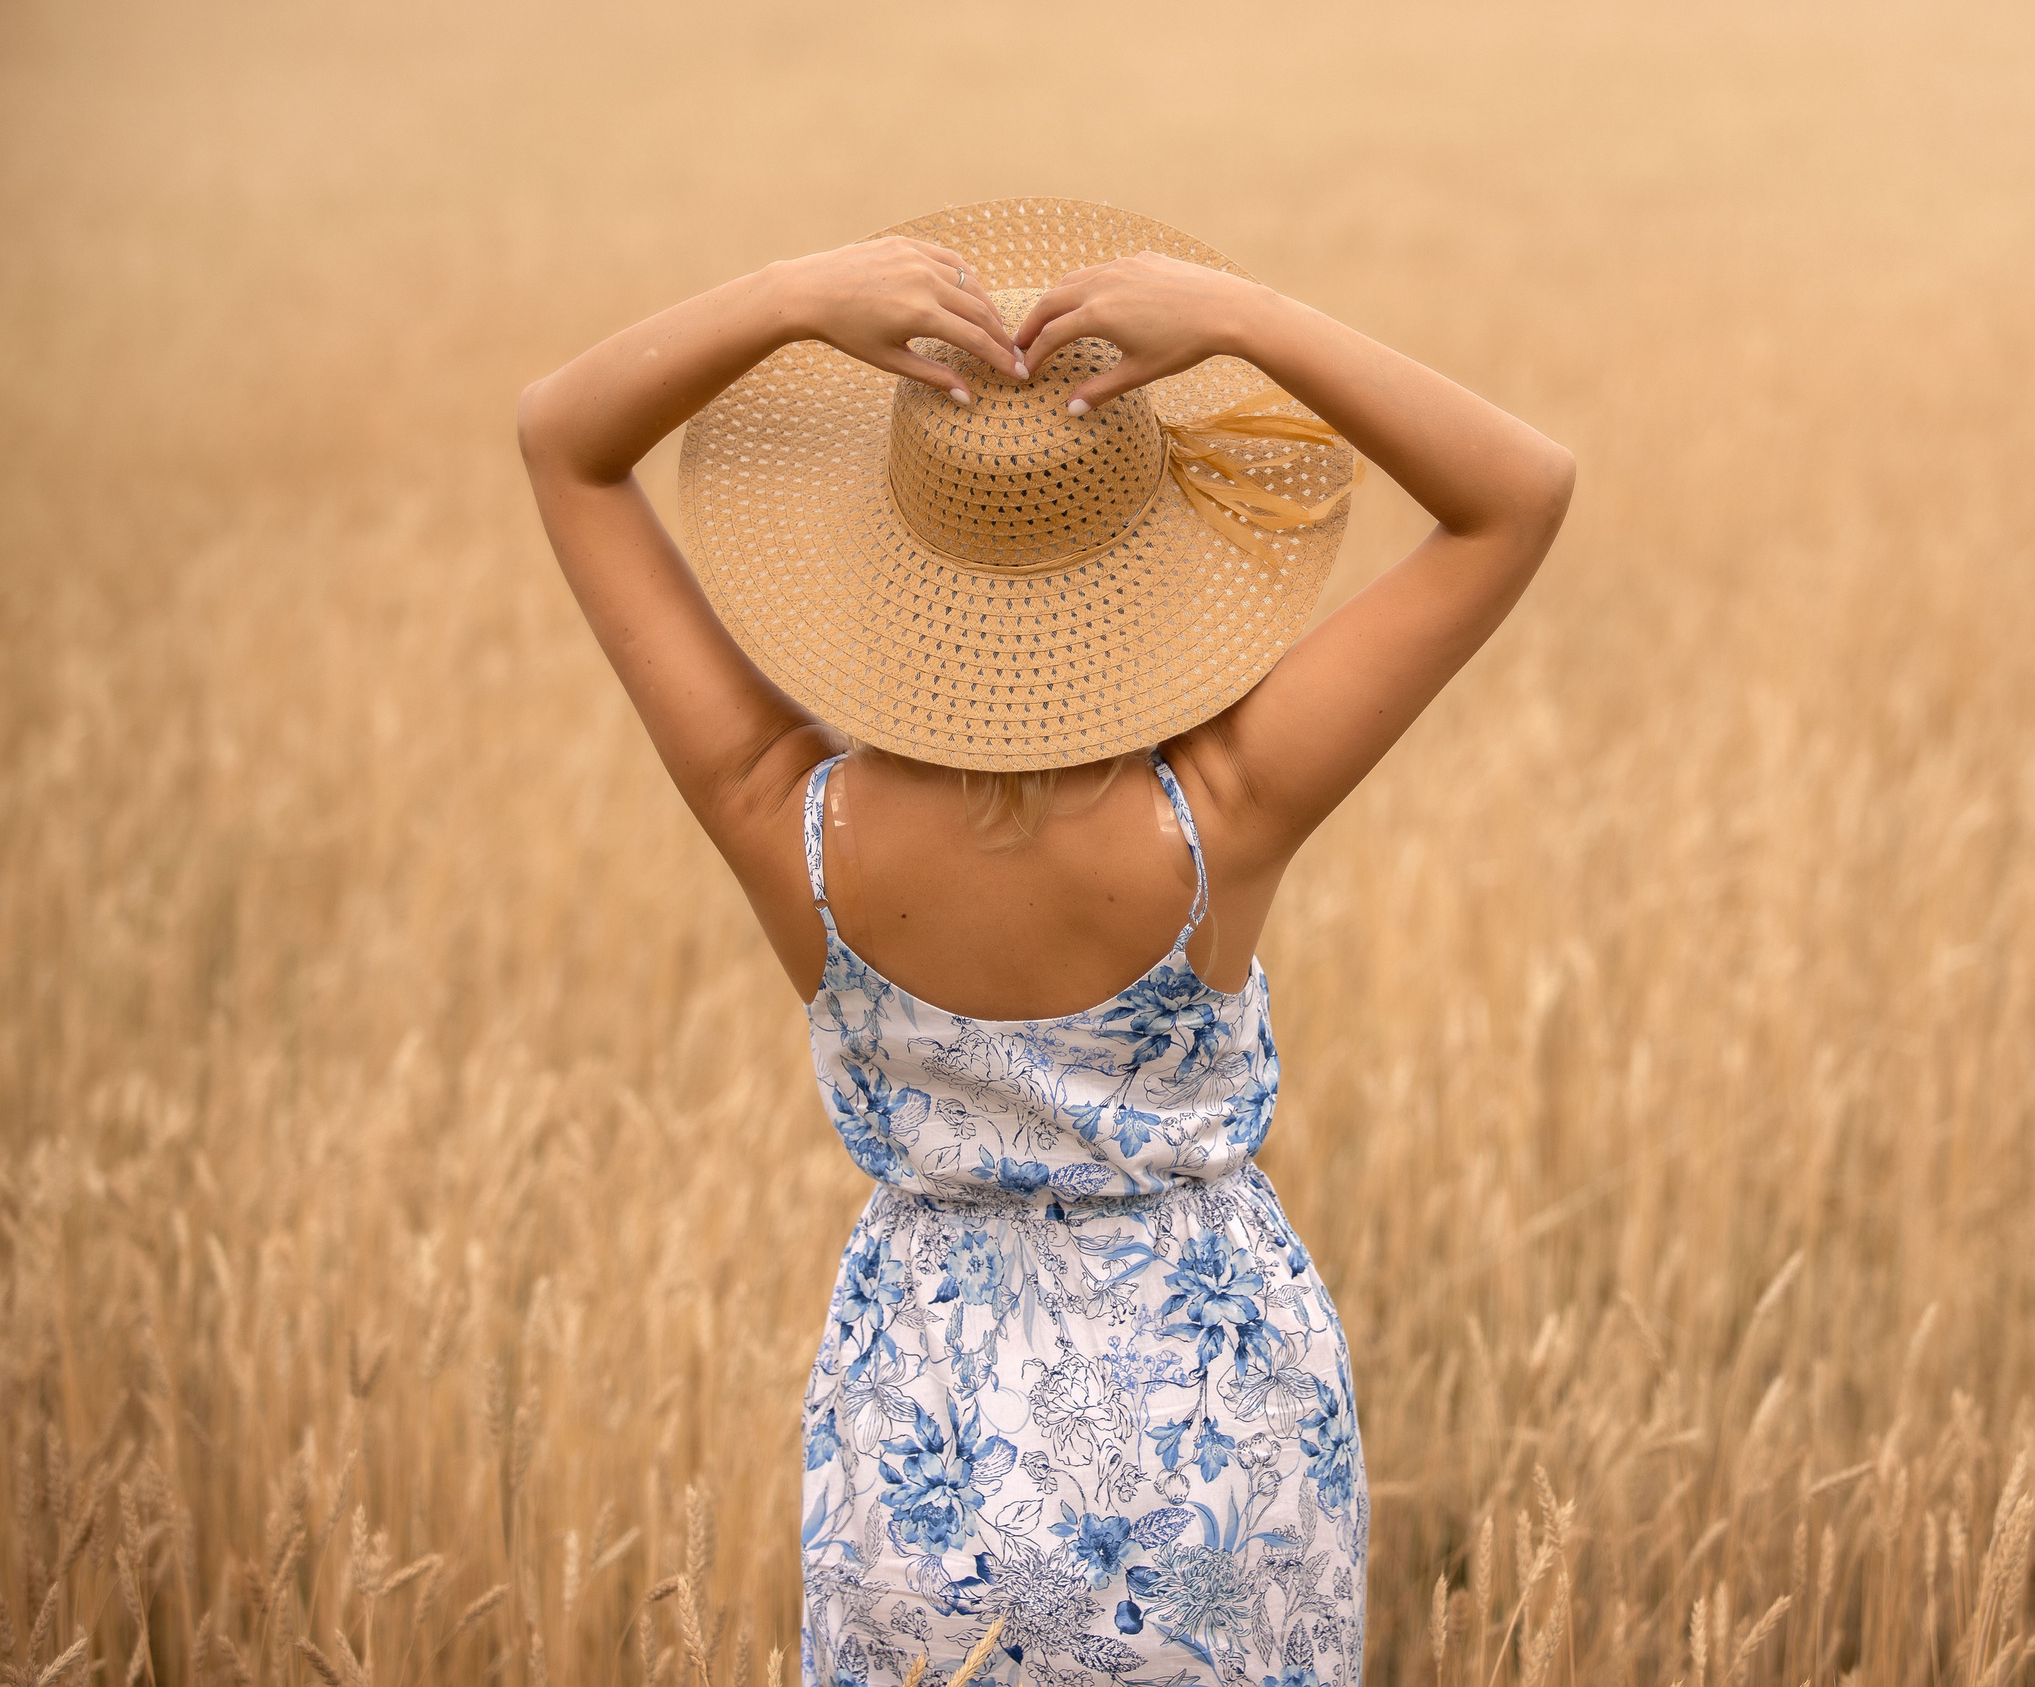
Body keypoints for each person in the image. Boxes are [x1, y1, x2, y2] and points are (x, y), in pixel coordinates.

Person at [517, 199, 1573, 1687]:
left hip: (921, 1440)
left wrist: (793, 294)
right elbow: (1520, 493)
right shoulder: (1222, 812)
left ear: (888, 561)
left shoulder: (787, 824)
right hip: (1216, 1438)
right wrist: (1244, 317)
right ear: (1147, 567)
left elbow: (562, 441)